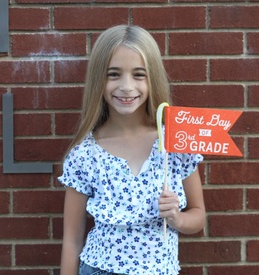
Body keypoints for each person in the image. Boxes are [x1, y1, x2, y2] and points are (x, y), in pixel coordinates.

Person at [59, 24, 205, 275]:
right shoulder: (85, 155)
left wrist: (177, 219)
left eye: (139, 74)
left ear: (153, 78)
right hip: (100, 269)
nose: (127, 87)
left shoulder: (175, 143)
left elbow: (199, 216)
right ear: (99, 79)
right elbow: (72, 241)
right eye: (114, 74)